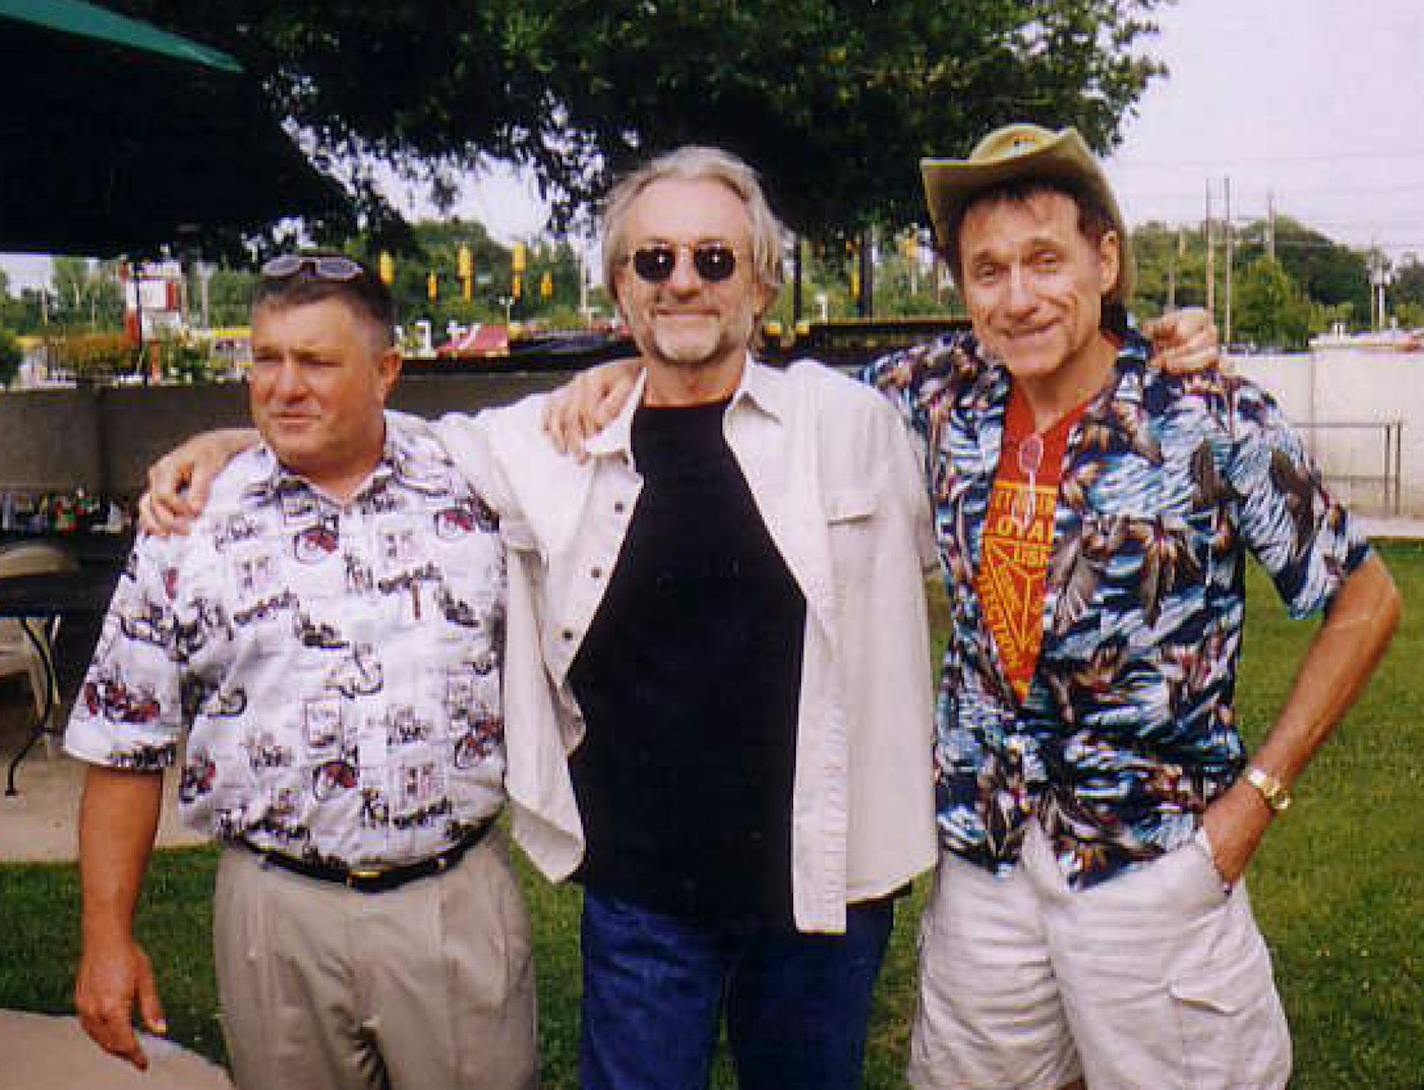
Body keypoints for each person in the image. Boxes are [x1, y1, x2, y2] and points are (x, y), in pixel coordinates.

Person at [141, 146, 1215, 1090]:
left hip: (822, 891)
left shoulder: (861, 422)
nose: (683, 280)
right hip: (640, 900)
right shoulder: (548, 442)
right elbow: (385, 437)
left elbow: (1028, 366)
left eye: (712, 258)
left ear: (757, 282)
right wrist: (233, 445)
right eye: (653, 261)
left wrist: (1147, 344)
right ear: (619, 286)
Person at [856, 124, 1400, 1090]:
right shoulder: (934, 394)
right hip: (987, 856)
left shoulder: (1209, 415)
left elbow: (1365, 599)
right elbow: (756, 395)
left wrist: (1252, 806)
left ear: (1105, 259)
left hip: (1156, 859)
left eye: (1045, 260)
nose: (1017, 297)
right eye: (987, 272)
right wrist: (617, 376)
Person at [66, 255, 536, 1090]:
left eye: (316, 362)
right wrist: (107, 939)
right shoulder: (189, 525)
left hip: (450, 898)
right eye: (265, 359)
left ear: (386, 372)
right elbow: (122, 742)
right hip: (275, 913)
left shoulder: (475, 489)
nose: (283, 386)